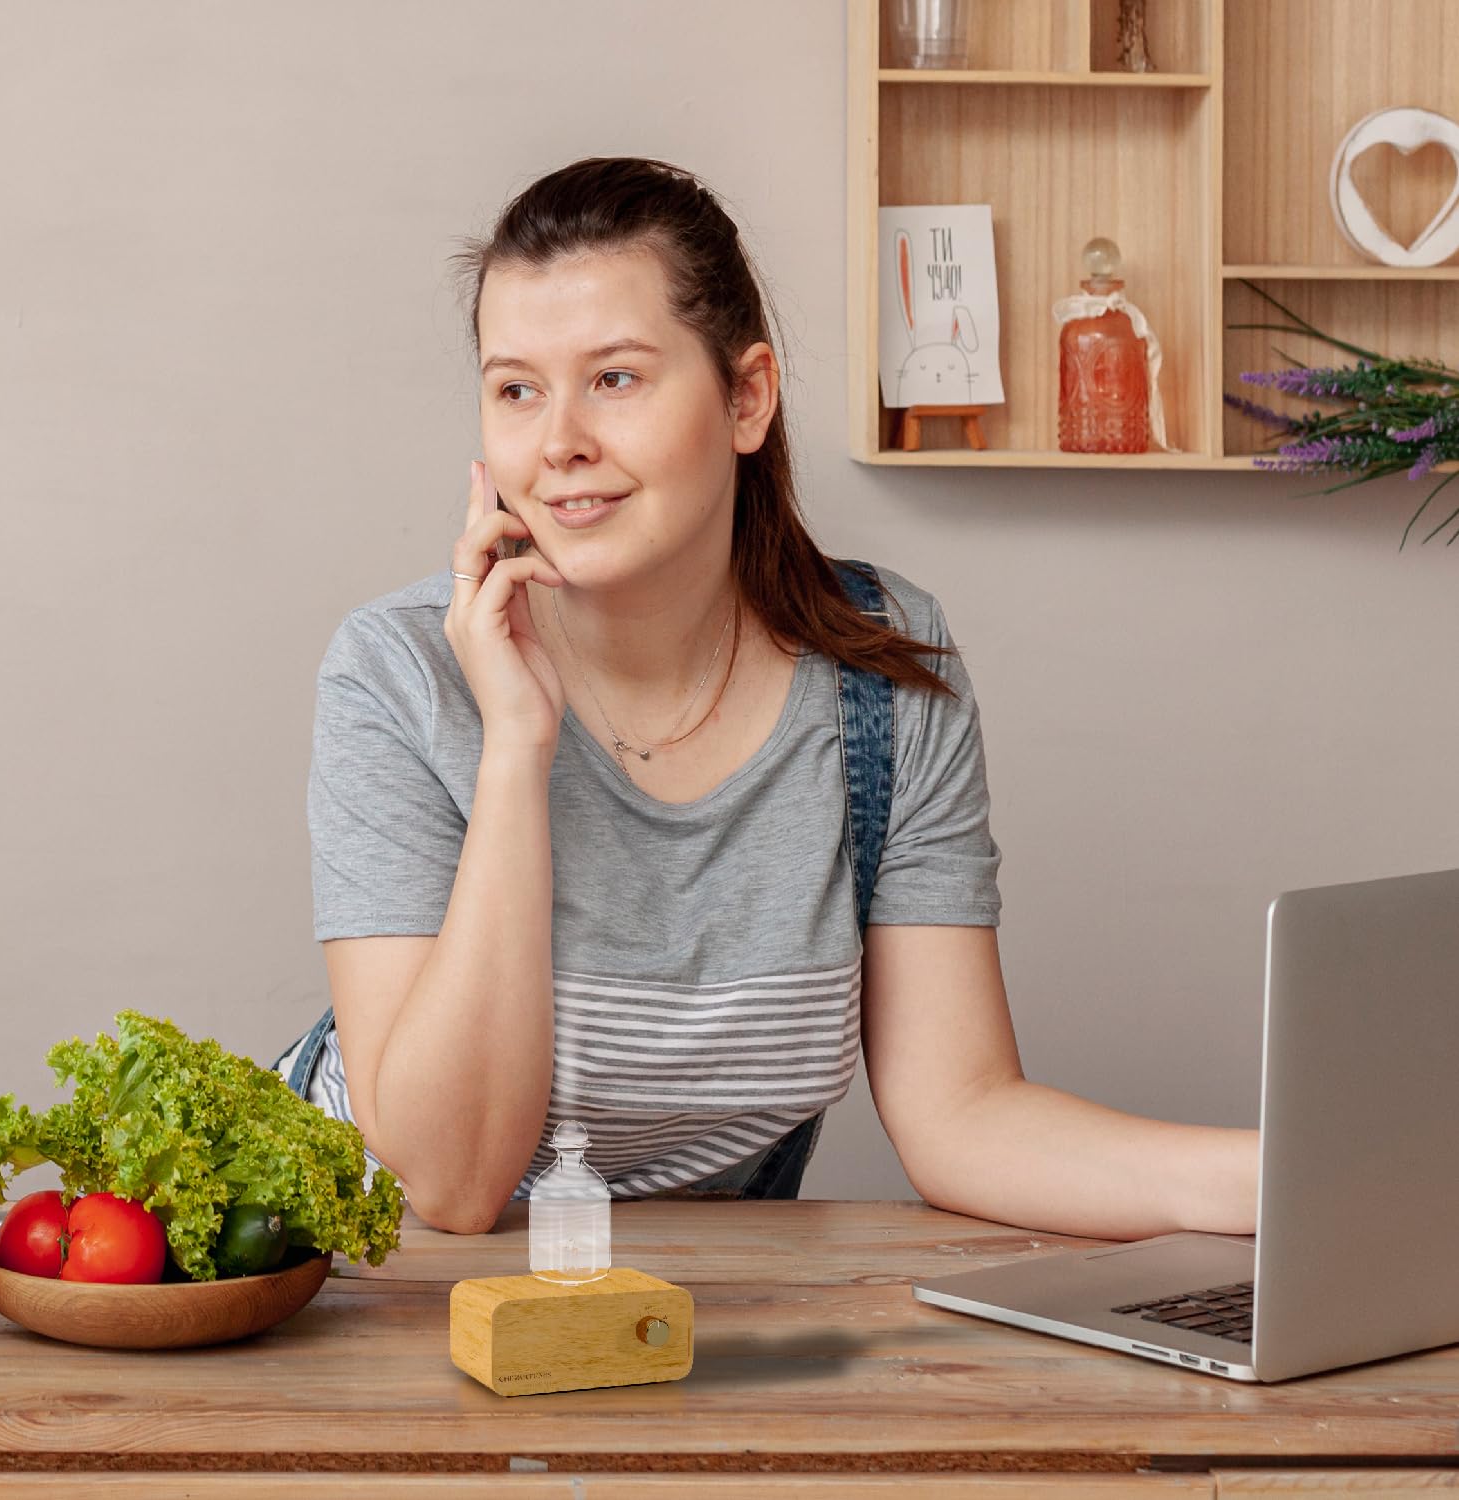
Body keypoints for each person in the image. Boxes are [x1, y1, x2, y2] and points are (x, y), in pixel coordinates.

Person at [273, 156, 1258, 1239]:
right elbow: (453, 1187)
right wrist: (514, 747)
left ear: (747, 398)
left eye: (615, 379)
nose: (558, 444)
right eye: (517, 389)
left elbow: (963, 1113)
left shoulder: (883, 677)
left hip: (676, 1309)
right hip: (373, 1301)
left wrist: (1297, 1182)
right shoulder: (398, 673)